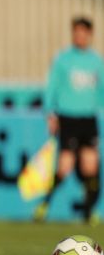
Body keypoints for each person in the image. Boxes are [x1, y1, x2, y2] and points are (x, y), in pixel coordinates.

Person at [35, 16, 104, 225]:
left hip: (88, 118)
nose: (79, 36)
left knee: (91, 166)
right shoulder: (63, 60)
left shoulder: (96, 62)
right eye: (76, 32)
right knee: (64, 166)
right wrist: (50, 113)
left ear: (89, 35)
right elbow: (51, 87)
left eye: (83, 33)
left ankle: (88, 211)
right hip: (68, 117)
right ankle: (44, 204)